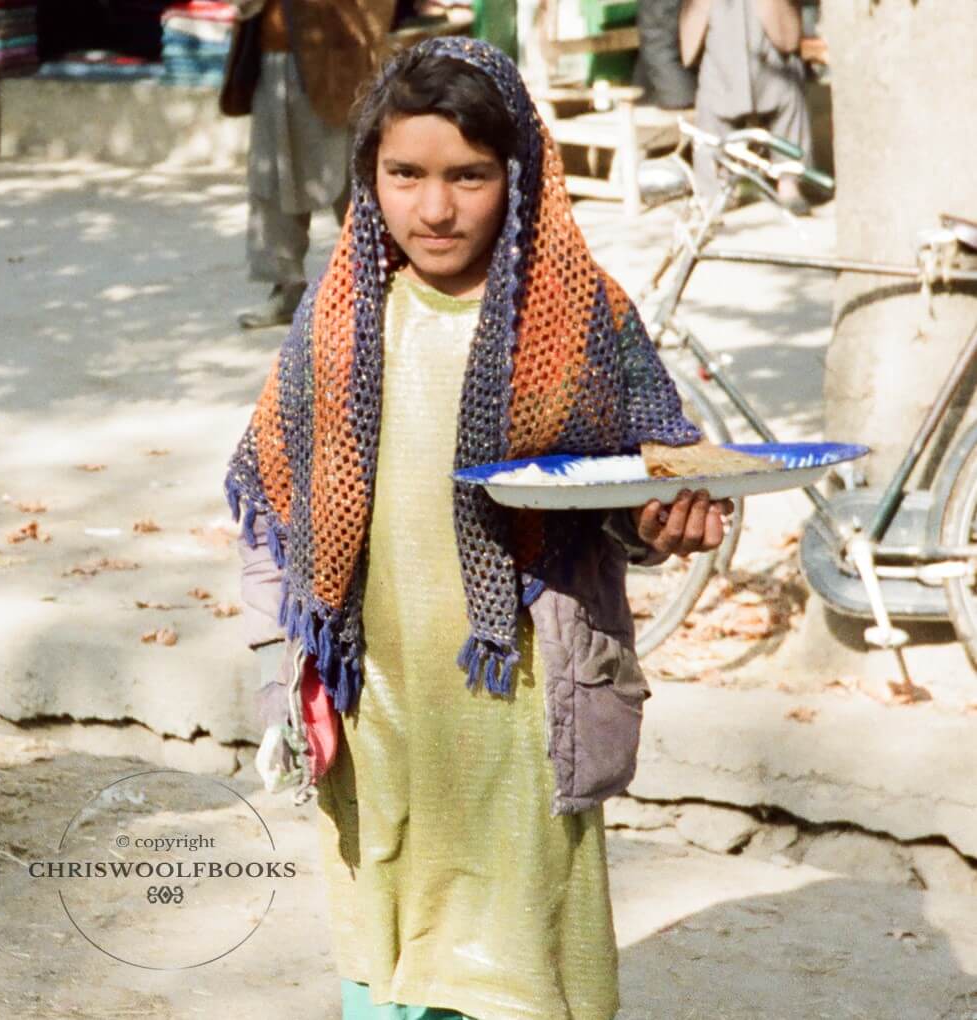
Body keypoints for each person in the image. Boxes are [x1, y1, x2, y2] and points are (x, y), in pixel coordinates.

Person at [226, 37, 732, 1020]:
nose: (435, 209)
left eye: (469, 176)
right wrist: (276, 678)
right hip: (377, 706)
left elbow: (651, 475)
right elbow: (273, 515)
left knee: (522, 963)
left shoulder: (580, 317)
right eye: (404, 175)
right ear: (368, 176)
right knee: (389, 955)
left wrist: (665, 521)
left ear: (520, 174)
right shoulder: (336, 320)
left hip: (521, 705)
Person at [225, 0, 394, 329]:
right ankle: (286, 288)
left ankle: (376, 284)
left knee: (352, 181)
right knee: (272, 181)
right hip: (272, 63)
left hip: (336, 66)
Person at [679, 0, 814, 214]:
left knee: (788, 98)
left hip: (770, 55)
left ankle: (789, 183)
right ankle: (713, 190)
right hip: (721, 58)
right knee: (711, 112)